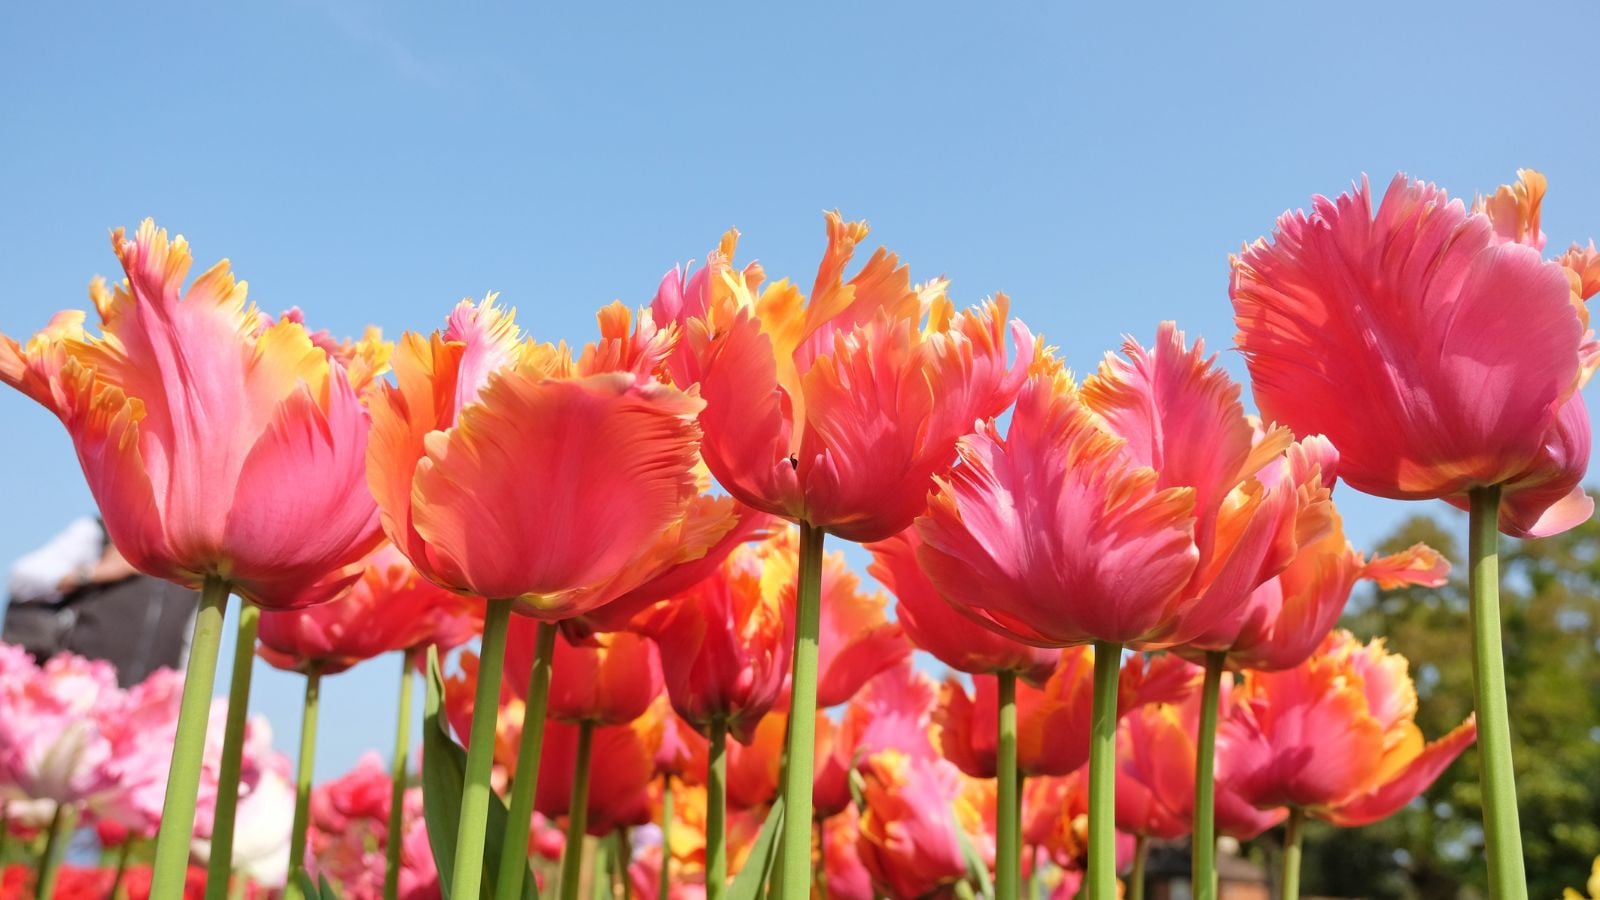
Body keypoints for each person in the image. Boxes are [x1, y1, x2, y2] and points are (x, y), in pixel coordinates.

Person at [3, 516, 198, 686]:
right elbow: (22, 579)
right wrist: (98, 572)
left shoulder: (196, 563)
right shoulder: (104, 531)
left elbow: (188, 648)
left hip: (140, 710)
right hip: (77, 691)